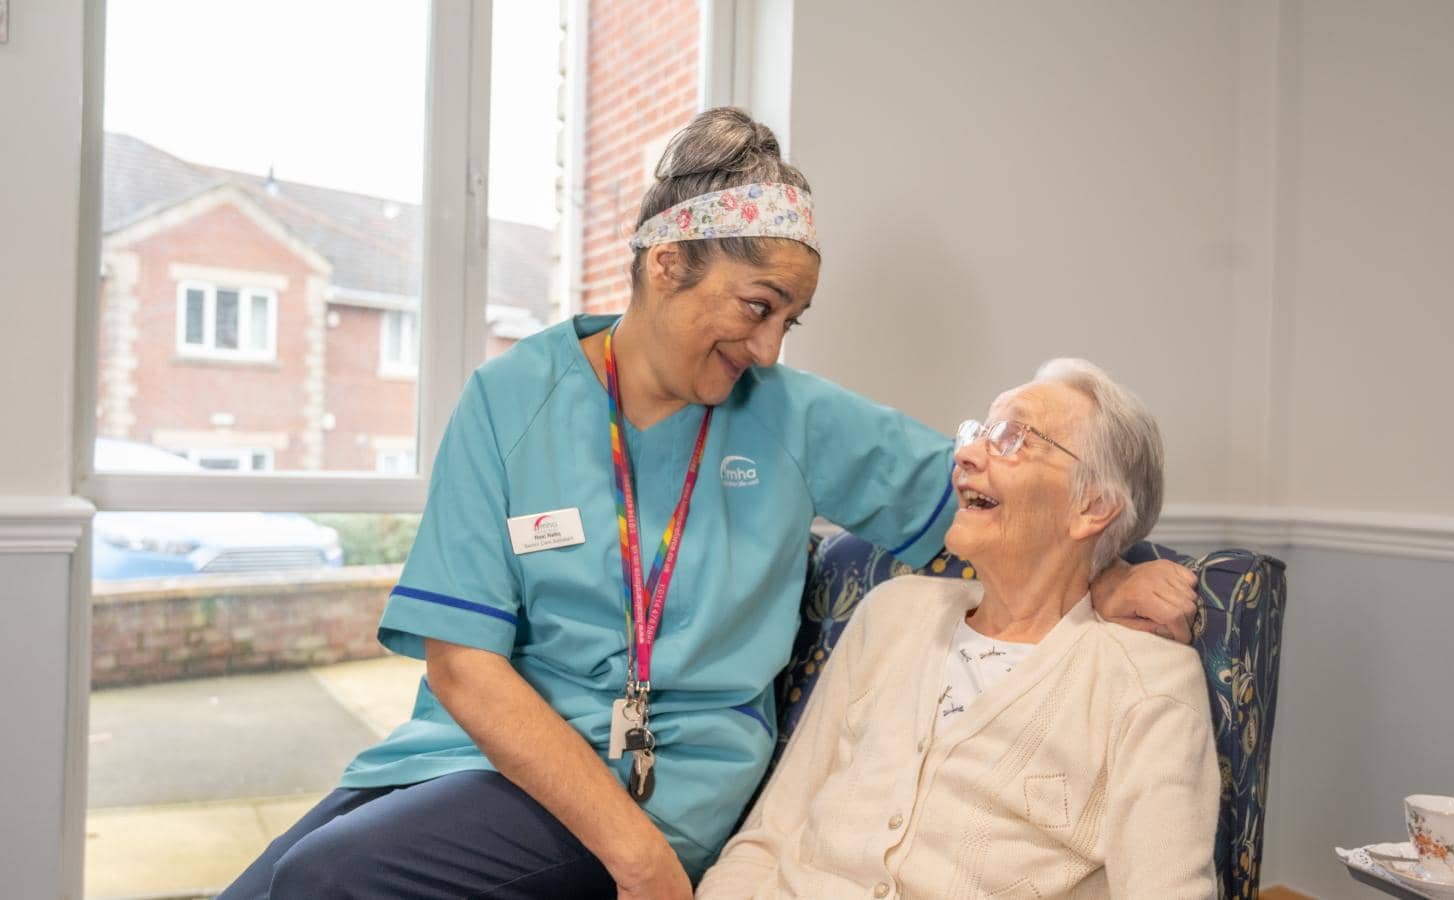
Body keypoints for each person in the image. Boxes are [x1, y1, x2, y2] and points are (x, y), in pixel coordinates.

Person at [219, 109, 1199, 899]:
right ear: (665, 263)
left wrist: (1115, 574)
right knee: (264, 887)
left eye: (790, 320)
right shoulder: (510, 400)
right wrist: (631, 863)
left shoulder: (795, 417)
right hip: (473, 753)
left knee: (323, 880)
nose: (771, 349)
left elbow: (1013, 510)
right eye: (757, 306)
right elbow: (464, 668)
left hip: (662, 779)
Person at [697, 359, 1220, 899]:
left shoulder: (1147, 681)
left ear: (1093, 507)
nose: (965, 454)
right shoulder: (893, 613)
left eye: (1013, 438)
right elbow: (768, 837)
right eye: (976, 434)